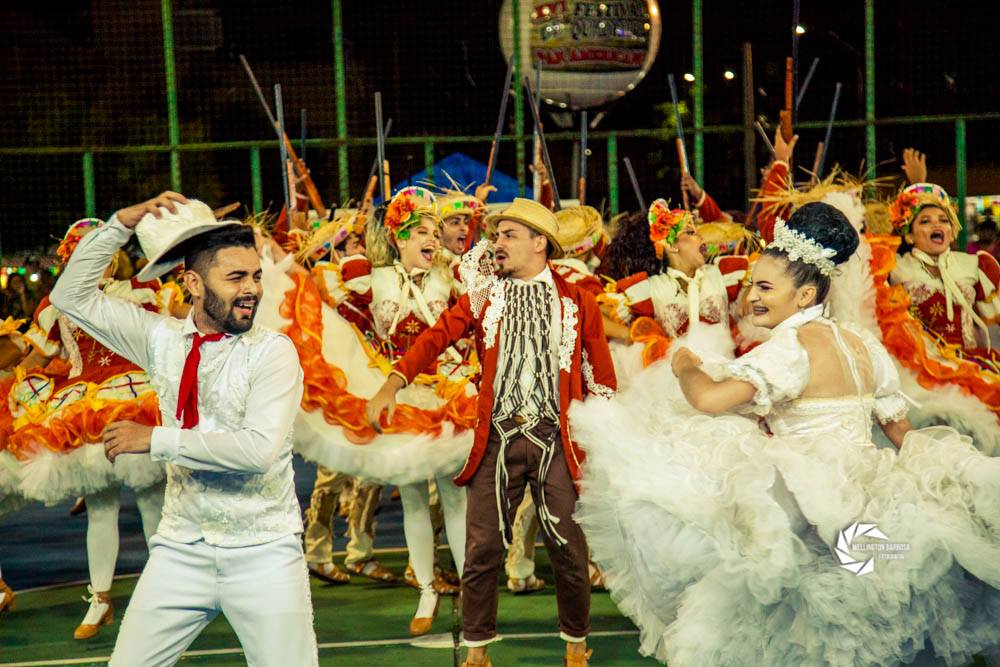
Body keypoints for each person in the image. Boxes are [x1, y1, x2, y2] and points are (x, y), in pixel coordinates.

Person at [571, 202, 1000, 665]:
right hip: (870, 494)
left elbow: (709, 399)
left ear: (804, 294)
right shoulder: (860, 343)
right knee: (872, 599)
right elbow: (898, 429)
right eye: (753, 284)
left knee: (814, 617)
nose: (752, 297)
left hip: (809, 504)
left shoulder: (790, 349)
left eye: (765, 287)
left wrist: (684, 365)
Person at [49, 192, 317, 666]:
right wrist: (119, 224)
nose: (252, 289)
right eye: (235, 277)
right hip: (180, 549)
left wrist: (154, 439)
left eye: (256, 276)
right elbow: (68, 297)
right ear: (193, 282)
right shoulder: (161, 338)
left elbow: (257, 452)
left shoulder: (274, 351)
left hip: (265, 553)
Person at [366, 197, 617, 667]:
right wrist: (392, 384)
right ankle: (477, 652)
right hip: (498, 437)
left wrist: (602, 441)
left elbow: (601, 378)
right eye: (497, 235)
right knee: (481, 549)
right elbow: (436, 336)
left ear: (539, 243)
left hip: (555, 440)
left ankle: (576, 647)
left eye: (508, 235)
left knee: (568, 548)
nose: (496, 243)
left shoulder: (577, 300)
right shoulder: (486, 296)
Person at [260, 187, 473, 635]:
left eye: (435, 233)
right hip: (397, 396)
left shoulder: (451, 279)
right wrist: (280, 259)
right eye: (422, 232)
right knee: (413, 497)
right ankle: (426, 590)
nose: (432, 239)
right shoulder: (369, 279)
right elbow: (319, 301)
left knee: (455, 499)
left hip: (447, 394)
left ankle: (472, 591)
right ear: (399, 236)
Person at [1, 219, 175, 640]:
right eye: (80, 254)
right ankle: (101, 597)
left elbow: (167, 338)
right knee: (100, 505)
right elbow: (39, 355)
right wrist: (13, 379)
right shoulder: (56, 305)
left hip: (135, 397)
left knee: (152, 500)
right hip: (80, 406)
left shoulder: (140, 291)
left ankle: (167, 595)